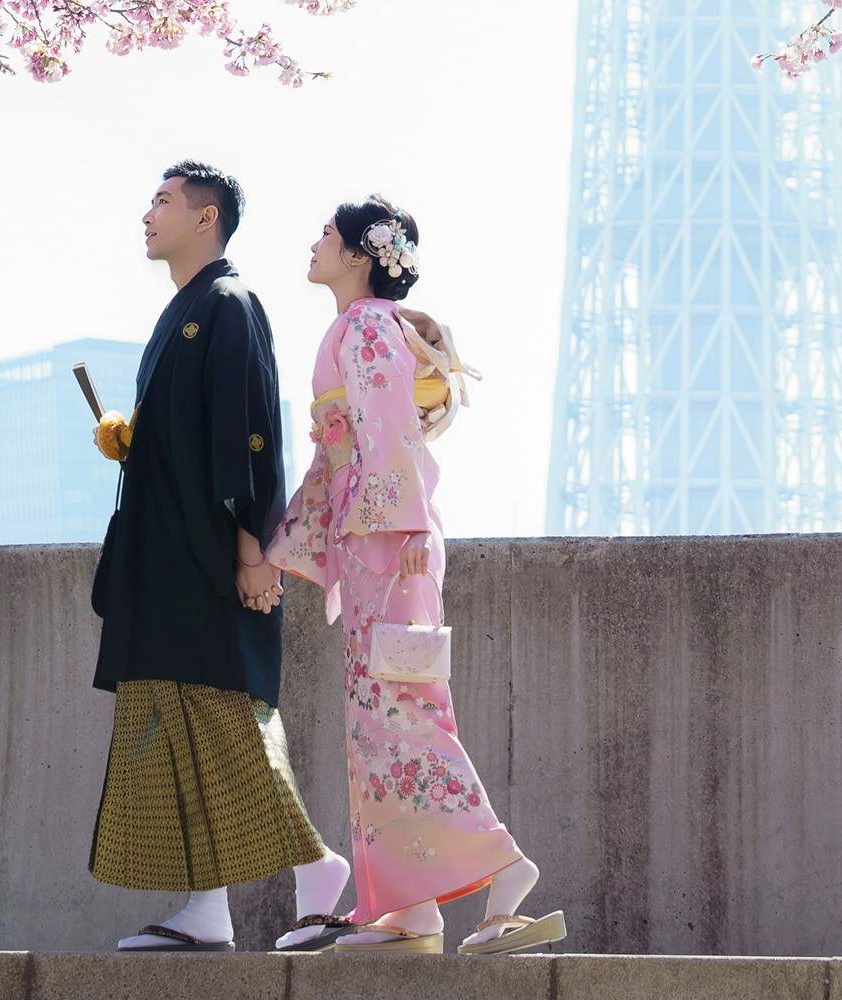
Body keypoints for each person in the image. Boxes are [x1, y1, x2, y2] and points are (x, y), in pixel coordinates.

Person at [265, 195, 566, 956]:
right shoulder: (363, 326)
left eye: (326, 235)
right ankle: (411, 908)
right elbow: (343, 452)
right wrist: (287, 545)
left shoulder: (366, 326)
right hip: (376, 543)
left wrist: (401, 529)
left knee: (402, 713)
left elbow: (391, 430)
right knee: (380, 722)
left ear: (359, 254)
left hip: (388, 544)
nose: (314, 244)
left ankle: (505, 866)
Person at [85, 160, 354, 953]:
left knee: (221, 716)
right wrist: (136, 439)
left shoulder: (229, 304)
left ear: (207, 219)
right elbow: (190, 431)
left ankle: (317, 866)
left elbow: (249, 429)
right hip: (165, 558)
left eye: (163, 200)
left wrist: (252, 548)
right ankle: (207, 908)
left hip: (207, 555)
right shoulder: (184, 311)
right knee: (173, 725)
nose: (148, 214)